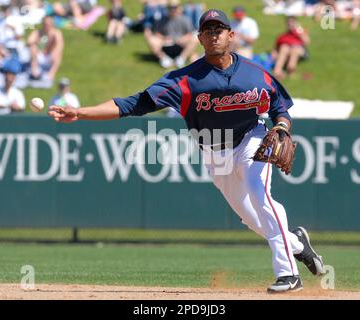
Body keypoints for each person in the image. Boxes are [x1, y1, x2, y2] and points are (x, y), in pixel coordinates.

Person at [48, 9, 325, 293]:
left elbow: (281, 108)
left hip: (251, 140)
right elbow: (132, 104)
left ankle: (288, 274)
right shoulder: (184, 81)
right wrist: (81, 112)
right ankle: (296, 243)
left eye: (220, 29)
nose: (214, 34)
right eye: (208, 30)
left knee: (260, 193)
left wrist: (281, 127)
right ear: (200, 38)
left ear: (231, 35)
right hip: (214, 151)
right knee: (252, 219)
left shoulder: (255, 74)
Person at [144, 0, 198, 68]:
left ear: (179, 8)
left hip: (180, 44)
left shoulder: (185, 19)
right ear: (168, 8)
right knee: (151, 39)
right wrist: (164, 38)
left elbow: (190, 33)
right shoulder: (162, 20)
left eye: (175, 7)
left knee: (195, 38)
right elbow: (156, 33)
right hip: (166, 44)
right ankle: (164, 59)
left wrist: (182, 39)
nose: (173, 9)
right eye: (171, 8)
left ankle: (181, 58)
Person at [27, 15, 64, 86]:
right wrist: (36, 42)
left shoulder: (56, 33)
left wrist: (54, 53)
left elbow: (60, 45)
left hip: (50, 56)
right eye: (45, 24)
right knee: (33, 48)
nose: (46, 25)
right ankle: (34, 70)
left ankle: (51, 74)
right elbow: (29, 42)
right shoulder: (38, 32)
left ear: (52, 24)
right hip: (39, 55)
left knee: (59, 53)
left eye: (48, 24)